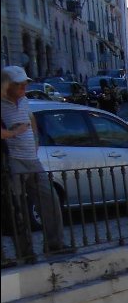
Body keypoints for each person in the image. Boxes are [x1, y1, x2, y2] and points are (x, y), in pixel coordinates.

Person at [1, 65, 73, 260]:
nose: (23, 89)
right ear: (7, 86)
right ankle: (25, 252)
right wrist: (14, 133)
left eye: (25, 85)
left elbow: (31, 119)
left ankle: (54, 244)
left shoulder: (23, 100)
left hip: (32, 159)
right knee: (17, 208)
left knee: (50, 199)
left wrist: (35, 142)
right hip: (12, 161)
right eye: (19, 86)